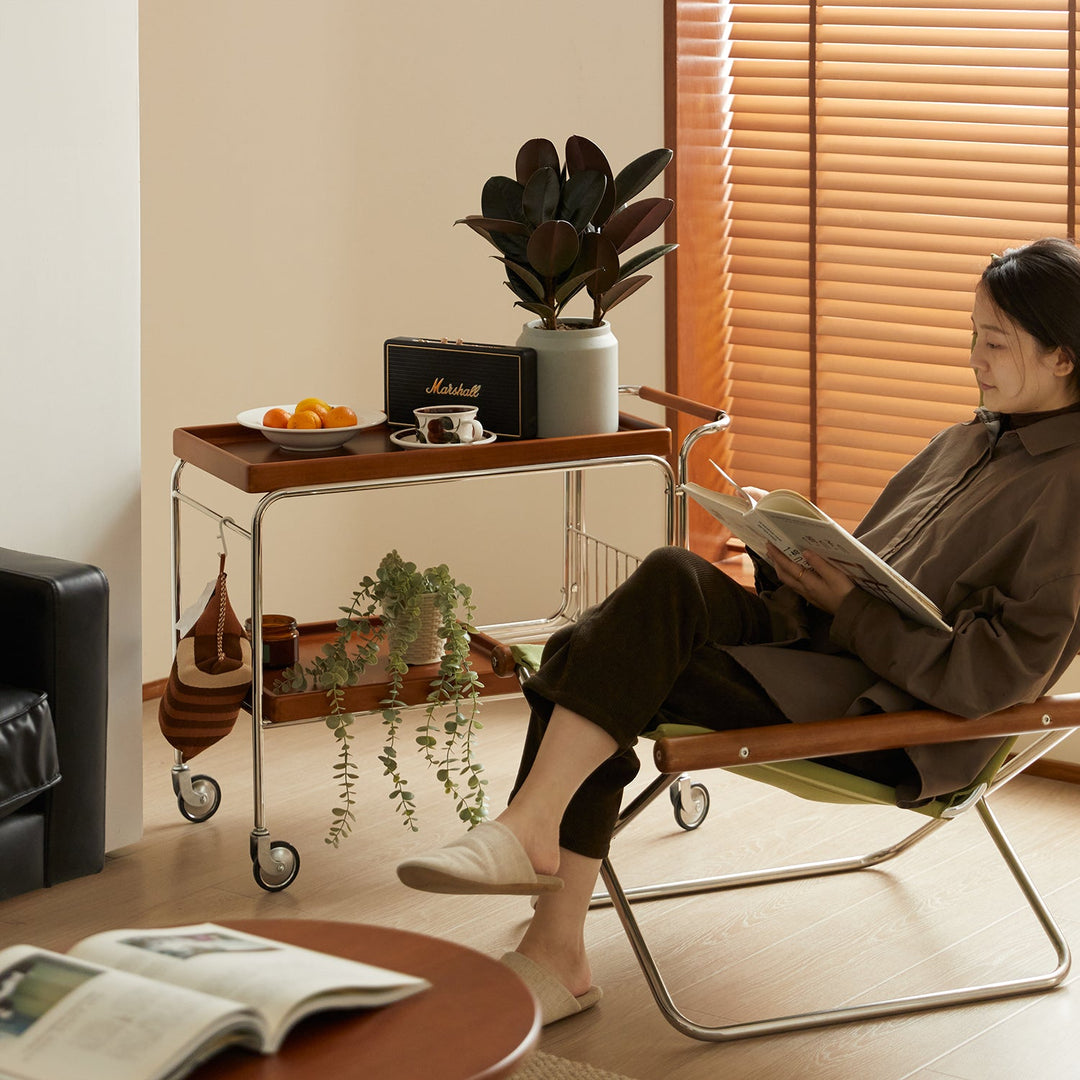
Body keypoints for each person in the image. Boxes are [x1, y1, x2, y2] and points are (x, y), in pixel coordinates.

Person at [397, 237, 1080, 1025]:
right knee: (669, 574)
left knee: (588, 655)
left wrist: (845, 607)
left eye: (993, 342)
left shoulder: (1066, 493)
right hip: (823, 654)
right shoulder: (967, 439)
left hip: (889, 716)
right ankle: (540, 872)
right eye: (971, 336)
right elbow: (870, 576)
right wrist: (787, 558)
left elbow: (991, 681)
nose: (974, 358)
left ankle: (547, 908)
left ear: (1063, 356)